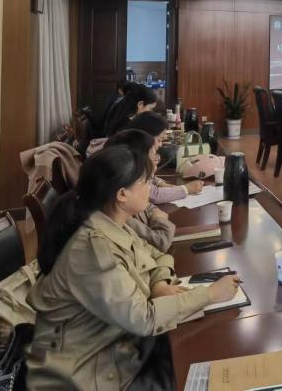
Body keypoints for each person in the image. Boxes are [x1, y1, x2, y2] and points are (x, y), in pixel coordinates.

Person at [27, 146, 240, 389]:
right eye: (145, 182)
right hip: (87, 373)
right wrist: (210, 294)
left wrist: (159, 284)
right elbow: (144, 319)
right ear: (122, 194)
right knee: (208, 367)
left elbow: (157, 254)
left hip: (118, 347)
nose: (150, 188)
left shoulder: (111, 222)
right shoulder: (92, 249)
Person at [103, 129, 177, 251]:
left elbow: (148, 205)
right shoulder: (121, 216)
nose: (156, 160)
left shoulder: (128, 195)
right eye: (153, 156)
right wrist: (159, 219)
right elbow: (160, 242)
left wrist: (154, 212)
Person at [127, 112, 203, 201]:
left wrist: (161, 183)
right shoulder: (131, 162)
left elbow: (149, 179)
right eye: (159, 140)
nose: (160, 145)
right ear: (145, 138)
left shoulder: (135, 152)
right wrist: (186, 189)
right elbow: (154, 195)